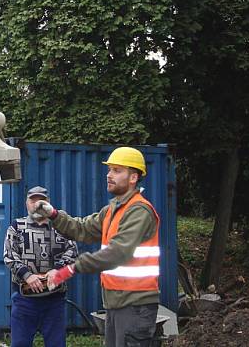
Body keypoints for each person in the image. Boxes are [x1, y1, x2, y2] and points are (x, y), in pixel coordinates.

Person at [33, 147, 160, 347]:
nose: (109, 175)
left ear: (134, 177)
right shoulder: (112, 209)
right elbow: (82, 228)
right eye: (109, 170)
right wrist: (54, 215)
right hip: (117, 303)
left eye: (117, 170)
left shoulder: (139, 211)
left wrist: (70, 269)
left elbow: (118, 252)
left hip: (135, 305)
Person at [4, 186, 77, 347]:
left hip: (54, 300)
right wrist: (27, 276)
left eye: (41, 201)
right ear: (26, 203)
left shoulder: (61, 226)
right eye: (33, 201)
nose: (36, 205)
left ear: (48, 203)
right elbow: (9, 256)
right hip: (24, 300)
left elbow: (73, 253)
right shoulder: (16, 227)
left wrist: (57, 271)